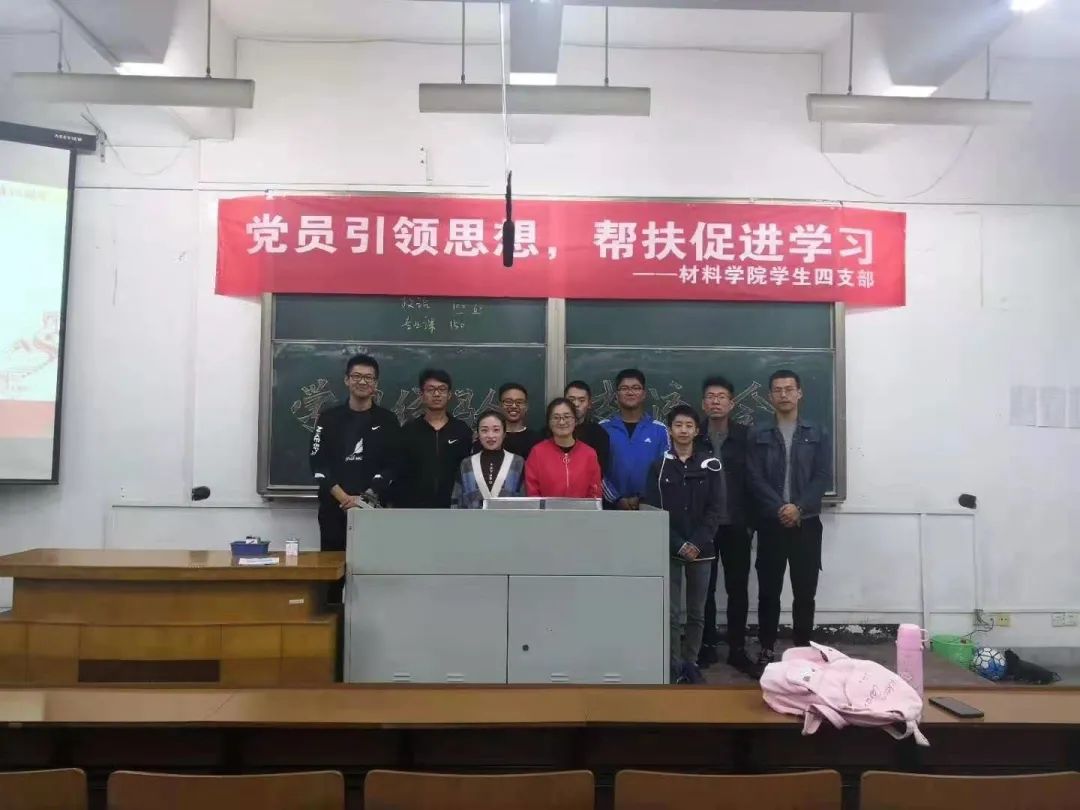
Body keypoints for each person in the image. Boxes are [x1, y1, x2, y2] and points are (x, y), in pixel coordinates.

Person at [747, 369, 832, 671]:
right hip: (771, 523)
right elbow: (753, 477)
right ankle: (767, 647)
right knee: (769, 591)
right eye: (777, 390)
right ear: (770, 396)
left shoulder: (817, 432)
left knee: (805, 592)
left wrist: (799, 507)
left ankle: (803, 651)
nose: (783, 394)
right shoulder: (758, 433)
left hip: (806, 522)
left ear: (799, 393)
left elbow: (822, 475)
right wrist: (780, 508)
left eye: (789, 389)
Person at [645, 405, 726, 685]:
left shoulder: (710, 465)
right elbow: (652, 510)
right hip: (669, 548)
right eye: (678, 425)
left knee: (696, 612)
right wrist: (679, 544)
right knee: (670, 613)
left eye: (689, 425)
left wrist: (696, 542)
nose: (683, 430)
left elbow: (716, 509)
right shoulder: (659, 467)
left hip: (702, 550)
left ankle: (691, 663)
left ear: (696, 430)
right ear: (670, 430)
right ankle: (673, 665)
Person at [696, 375, 757, 677]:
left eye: (721, 396)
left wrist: (751, 522)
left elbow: (755, 480)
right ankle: (705, 646)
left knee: (737, 589)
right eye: (710, 396)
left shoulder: (746, 436)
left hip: (737, 524)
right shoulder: (694, 436)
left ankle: (737, 649)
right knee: (704, 589)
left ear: (732, 403)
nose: (716, 401)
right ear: (703, 403)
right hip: (704, 526)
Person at [309, 353, 399, 552]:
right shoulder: (328, 419)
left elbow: (394, 464)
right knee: (334, 567)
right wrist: (344, 499)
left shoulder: (388, 420)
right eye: (357, 376)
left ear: (375, 383)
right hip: (334, 508)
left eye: (368, 377)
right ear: (347, 380)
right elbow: (318, 464)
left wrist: (364, 501)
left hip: (374, 509)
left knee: (373, 567)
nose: (362, 382)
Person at [396, 368, 472, 508]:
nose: (436, 394)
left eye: (442, 389)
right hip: (413, 508)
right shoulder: (409, 430)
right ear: (422, 395)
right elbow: (399, 470)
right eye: (431, 389)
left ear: (449, 395)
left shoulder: (461, 430)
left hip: (453, 507)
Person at [600, 369, 669, 510]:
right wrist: (616, 498)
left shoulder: (660, 430)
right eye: (624, 388)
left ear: (644, 394)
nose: (630, 392)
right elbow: (596, 470)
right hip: (610, 509)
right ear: (616, 395)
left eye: (636, 388)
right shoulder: (603, 429)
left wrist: (643, 497)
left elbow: (666, 470)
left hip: (650, 507)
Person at [525, 398, 602, 499]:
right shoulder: (537, 452)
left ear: (575, 420)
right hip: (546, 509)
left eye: (567, 417)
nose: (562, 422)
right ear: (549, 423)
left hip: (581, 509)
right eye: (556, 417)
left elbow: (594, 492)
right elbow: (532, 492)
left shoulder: (589, 454)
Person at [451, 409, 526, 508]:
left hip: (509, 517)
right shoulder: (467, 464)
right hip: (471, 518)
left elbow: (525, 502)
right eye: (484, 430)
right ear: (478, 434)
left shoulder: (517, 462)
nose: (490, 436)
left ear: (504, 433)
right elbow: (456, 501)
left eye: (496, 430)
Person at [565, 380, 611, 475]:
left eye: (581, 400)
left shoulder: (599, 434)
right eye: (571, 399)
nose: (576, 404)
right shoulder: (550, 432)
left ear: (589, 404)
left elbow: (600, 471)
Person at [497, 382, 543, 459]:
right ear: (500, 405)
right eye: (508, 402)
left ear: (526, 406)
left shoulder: (537, 440)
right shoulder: (491, 438)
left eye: (519, 402)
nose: (514, 406)